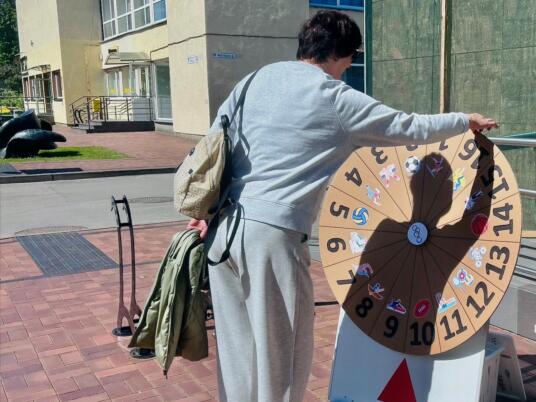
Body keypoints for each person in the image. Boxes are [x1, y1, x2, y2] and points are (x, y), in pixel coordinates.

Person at [196, 10, 498, 402]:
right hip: (271, 237)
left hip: (221, 231)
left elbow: (213, 146)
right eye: (350, 60)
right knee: (280, 359)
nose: (347, 70)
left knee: (237, 356)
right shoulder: (333, 98)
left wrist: (203, 212)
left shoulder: (253, 80)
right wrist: (464, 121)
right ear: (342, 55)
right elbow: (408, 127)